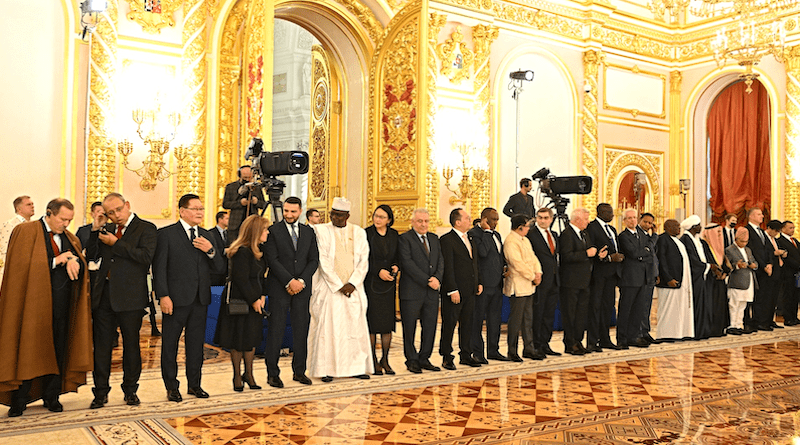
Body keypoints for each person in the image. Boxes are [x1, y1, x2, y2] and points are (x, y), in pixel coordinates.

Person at [0, 198, 92, 417]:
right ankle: (19, 399)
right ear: (49, 213)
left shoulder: (70, 238)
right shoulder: (26, 231)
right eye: (62, 219)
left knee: (58, 349)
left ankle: (52, 396)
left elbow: (77, 261)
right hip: (31, 305)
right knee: (29, 348)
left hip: (62, 306)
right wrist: (56, 260)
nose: (66, 225)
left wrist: (74, 261)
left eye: (69, 220)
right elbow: (20, 266)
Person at [88, 193, 157, 409]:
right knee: (101, 347)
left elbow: (145, 257)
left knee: (131, 345)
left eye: (118, 210)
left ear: (127, 205)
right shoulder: (105, 230)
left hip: (131, 297)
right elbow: (91, 255)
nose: (116, 215)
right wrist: (94, 229)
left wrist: (117, 243)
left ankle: (130, 390)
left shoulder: (146, 228)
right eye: (110, 213)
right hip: (105, 296)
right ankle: (100, 392)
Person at [153, 194, 225, 402]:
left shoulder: (207, 235)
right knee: (170, 345)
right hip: (175, 300)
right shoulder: (166, 234)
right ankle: (172, 386)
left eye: (202, 208)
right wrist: (163, 296)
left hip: (200, 300)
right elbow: (159, 269)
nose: (200, 212)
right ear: (182, 211)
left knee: (196, 345)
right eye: (195, 208)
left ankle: (195, 385)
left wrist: (210, 251)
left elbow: (220, 267)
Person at [307, 197, 372, 381]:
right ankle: (326, 370)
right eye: (333, 215)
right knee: (329, 330)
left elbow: (363, 261)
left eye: (340, 215)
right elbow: (323, 261)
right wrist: (338, 285)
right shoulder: (321, 231)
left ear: (347, 216)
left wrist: (353, 282)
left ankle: (356, 368)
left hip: (354, 289)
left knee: (354, 328)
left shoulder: (358, 232)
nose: (335, 218)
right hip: (330, 290)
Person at [264, 196, 319, 388]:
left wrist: (301, 281)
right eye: (286, 211)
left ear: (300, 211)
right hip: (280, 287)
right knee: (276, 330)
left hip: (302, 290)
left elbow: (314, 260)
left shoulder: (308, 232)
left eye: (293, 212)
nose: (288, 215)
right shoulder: (273, 231)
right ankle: (272, 373)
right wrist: (289, 281)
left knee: (300, 330)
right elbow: (272, 259)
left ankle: (299, 371)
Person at [215, 215, 270, 392]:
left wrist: (262, 295)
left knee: (251, 337)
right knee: (238, 338)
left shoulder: (260, 251)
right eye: (265, 229)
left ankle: (249, 374)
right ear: (256, 232)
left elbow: (263, 277)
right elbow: (241, 279)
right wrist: (254, 299)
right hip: (240, 300)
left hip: (254, 299)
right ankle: (237, 375)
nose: (267, 233)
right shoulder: (242, 251)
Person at [398, 208, 443, 374]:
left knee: (430, 326)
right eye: (420, 221)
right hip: (411, 292)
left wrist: (437, 278)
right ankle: (411, 360)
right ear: (412, 222)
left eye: (426, 221)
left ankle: (425, 358)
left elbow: (440, 261)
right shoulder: (404, 239)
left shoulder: (434, 238)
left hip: (431, 292)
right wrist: (427, 280)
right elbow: (407, 264)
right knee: (409, 328)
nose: (423, 224)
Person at [439, 208, 483, 370]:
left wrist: (478, 282)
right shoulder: (447, 240)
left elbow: (474, 263)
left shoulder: (469, 238)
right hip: (455, 291)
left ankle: (466, 354)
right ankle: (446, 356)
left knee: (468, 323)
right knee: (449, 324)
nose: (470, 219)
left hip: (470, 290)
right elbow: (447, 267)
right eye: (466, 217)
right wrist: (452, 289)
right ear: (457, 222)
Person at [559, 208, 605, 355]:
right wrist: (586, 253)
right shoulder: (567, 234)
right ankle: (570, 343)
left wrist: (598, 255)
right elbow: (566, 256)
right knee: (570, 313)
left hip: (585, 280)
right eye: (586, 219)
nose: (588, 222)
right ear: (577, 219)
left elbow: (589, 253)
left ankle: (578, 341)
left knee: (581, 314)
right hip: (571, 281)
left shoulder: (584, 233)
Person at [468, 207, 508, 362]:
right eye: (493, 219)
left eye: (497, 219)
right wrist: (485, 232)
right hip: (483, 285)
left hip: (497, 283)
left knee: (494, 319)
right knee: (477, 319)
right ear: (484, 219)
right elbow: (483, 253)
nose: (496, 223)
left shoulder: (496, 234)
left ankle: (493, 350)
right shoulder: (475, 234)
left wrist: (505, 267)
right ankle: (477, 352)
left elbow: (499, 255)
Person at [364, 205, 400, 375]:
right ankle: (372, 360)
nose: (377, 219)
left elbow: (398, 257)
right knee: (372, 324)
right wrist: (378, 270)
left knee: (386, 324)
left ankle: (385, 359)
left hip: (388, 285)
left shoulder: (394, 235)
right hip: (371, 283)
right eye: (376, 216)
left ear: (389, 220)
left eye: (381, 217)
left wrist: (395, 267)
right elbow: (363, 259)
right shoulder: (366, 233)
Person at [503, 214, 542, 362]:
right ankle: (512, 350)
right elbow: (516, 263)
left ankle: (529, 348)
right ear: (519, 226)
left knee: (528, 318)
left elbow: (533, 258)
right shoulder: (511, 241)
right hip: (518, 285)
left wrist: (538, 272)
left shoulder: (525, 240)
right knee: (516, 320)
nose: (528, 229)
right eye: (526, 226)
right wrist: (533, 276)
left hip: (529, 285)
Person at [585, 203, 623, 352]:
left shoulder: (612, 229)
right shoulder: (592, 227)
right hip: (598, 274)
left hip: (612, 274)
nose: (612, 215)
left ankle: (605, 339)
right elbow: (591, 251)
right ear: (601, 212)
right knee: (595, 307)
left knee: (608, 307)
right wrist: (607, 258)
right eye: (609, 212)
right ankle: (593, 341)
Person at [526, 207, 561, 357]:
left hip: (554, 280)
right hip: (539, 280)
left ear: (551, 219)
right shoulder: (531, 235)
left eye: (546, 218)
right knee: (538, 314)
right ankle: (536, 345)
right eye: (540, 217)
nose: (542, 220)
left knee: (549, 314)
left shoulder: (554, 235)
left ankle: (545, 343)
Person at [616, 209, 652, 348]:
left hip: (642, 277)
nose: (632, 220)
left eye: (634, 218)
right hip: (629, 278)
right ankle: (622, 339)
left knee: (638, 310)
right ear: (624, 220)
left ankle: (633, 337)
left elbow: (649, 250)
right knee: (626, 310)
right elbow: (633, 253)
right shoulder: (623, 236)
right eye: (629, 218)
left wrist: (642, 253)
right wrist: (643, 253)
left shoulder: (642, 235)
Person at [655, 219, 694, 341]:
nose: (679, 229)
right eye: (676, 226)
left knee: (678, 308)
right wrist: (668, 279)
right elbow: (661, 260)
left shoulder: (677, 240)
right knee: (668, 309)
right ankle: (666, 334)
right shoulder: (662, 239)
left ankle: (678, 333)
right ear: (667, 227)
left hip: (681, 281)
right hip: (669, 282)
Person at [680, 215, 714, 340]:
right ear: (693, 227)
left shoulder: (697, 240)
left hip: (701, 275)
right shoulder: (685, 240)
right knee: (696, 304)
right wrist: (708, 267)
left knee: (703, 304)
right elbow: (692, 261)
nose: (701, 227)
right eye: (699, 225)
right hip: (693, 278)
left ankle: (702, 330)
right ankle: (695, 331)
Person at [745, 207, 777, 331]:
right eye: (759, 214)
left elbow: (768, 249)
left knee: (765, 296)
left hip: (766, 269)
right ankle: (755, 322)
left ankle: (763, 321)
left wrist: (770, 263)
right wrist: (763, 266)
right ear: (751, 216)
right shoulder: (747, 230)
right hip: (756, 269)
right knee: (756, 297)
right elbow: (752, 251)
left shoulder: (762, 232)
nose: (762, 216)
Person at [725, 228, 758, 335]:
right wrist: (737, 266)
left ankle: (739, 325)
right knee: (734, 304)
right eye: (742, 241)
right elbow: (728, 265)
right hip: (736, 280)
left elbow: (753, 261)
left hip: (748, 280)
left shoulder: (748, 250)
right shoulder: (729, 249)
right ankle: (732, 325)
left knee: (743, 305)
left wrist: (754, 265)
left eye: (746, 242)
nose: (744, 244)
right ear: (736, 239)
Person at [222, 165, 267, 242]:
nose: (247, 180)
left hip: (252, 223)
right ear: (240, 176)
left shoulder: (257, 187)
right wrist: (240, 203)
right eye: (245, 178)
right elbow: (225, 204)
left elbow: (263, 205)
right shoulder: (231, 187)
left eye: (249, 178)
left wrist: (256, 202)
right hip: (235, 224)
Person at [0, 195, 35, 284]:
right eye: (28, 204)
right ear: (19, 209)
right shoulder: (10, 224)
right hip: (13, 270)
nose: (32, 206)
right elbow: (5, 249)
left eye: (32, 204)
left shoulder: (34, 225)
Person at [638, 213, 658, 343]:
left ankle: (645, 331)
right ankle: (640, 332)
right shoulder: (638, 234)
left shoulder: (647, 235)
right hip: (641, 275)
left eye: (650, 223)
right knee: (641, 306)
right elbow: (648, 248)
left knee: (647, 306)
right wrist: (655, 234)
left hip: (650, 275)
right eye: (645, 222)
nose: (648, 225)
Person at [765, 219, 787, 329]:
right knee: (767, 297)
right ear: (769, 228)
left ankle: (771, 320)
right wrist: (774, 253)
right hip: (769, 271)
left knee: (775, 297)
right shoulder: (764, 238)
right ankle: (765, 321)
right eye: (775, 231)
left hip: (778, 270)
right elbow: (763, 252)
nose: (776, 233)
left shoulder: (775, 240)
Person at [778, 221, 800, 326]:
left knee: (796, 295)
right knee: (788, 295)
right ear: (783, 229)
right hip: (787, 273)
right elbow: (786, 258)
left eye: (793, 228)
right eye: (790, 228)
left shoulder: (795, 240)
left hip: (797, 273)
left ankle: (794, 316)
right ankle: (788, 318)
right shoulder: (780, 241)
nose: (793, 230)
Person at [209, 211, 230, 286]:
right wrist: (224, 251)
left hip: (227, 270)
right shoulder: (211, 233)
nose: (229, 221)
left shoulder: (230, 233)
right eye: (227, 218)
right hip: (215, 271)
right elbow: (211, 249)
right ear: (220, 219)